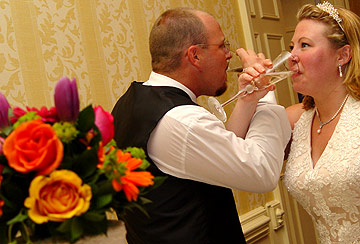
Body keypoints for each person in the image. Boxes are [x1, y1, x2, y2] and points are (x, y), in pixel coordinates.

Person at [111, 7, 291, 244]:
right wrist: (266, 91)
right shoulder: (182, 121)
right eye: (222, 46)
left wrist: (250, 98)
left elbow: (218, 151)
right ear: (194, 56)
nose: (229, 55)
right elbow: (263, 171)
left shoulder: (131, 102)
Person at [238, 2, 360, 244]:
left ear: (343, 55)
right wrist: (248, 99)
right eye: (291, 46)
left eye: (304, 45)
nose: (291, 57)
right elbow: (237, 152)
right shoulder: (297, 119)